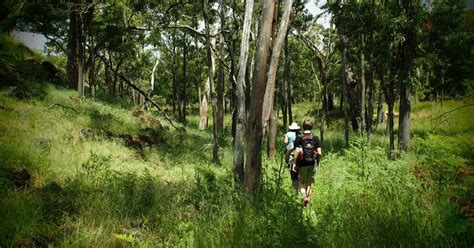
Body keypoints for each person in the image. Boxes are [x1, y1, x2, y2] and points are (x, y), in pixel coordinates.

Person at [292, 119, 322, 207]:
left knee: (301, 181)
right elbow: (319, 152)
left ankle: (304, 197)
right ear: (311, 127)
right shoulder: (315, 138)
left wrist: (294, 163)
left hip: (302, 163)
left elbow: (297, 151)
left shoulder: (299, 137)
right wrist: (318, 162)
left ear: (303, 127)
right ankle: (307, 202)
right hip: (312, 163)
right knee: (309, 183)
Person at [284, 122, 301, 189]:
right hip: (299, 151)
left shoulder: (288, 134)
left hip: (291, 150)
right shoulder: (299, 134)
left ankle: (294, 185)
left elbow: (285, 142)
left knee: (288, 160)